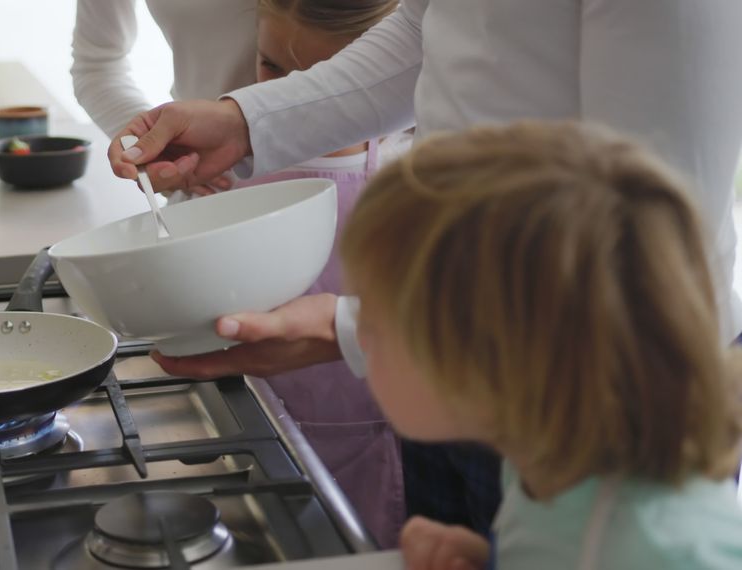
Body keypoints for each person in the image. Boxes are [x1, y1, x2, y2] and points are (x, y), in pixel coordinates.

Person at [107, 0, 742, 538]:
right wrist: (249, 119)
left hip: (590, 387)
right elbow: (428, 24)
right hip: (463, 353)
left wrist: (364, 330)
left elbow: (657, 234)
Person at [345, 121, 742, 569]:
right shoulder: (540, 462)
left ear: (486, 365)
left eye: (375, 324)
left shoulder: (666, 549)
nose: (358, 336)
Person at [230, 0, 409, 547]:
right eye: (272, 70)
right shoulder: (231, 178)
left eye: (326, 85)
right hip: (260, 435)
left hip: (382, 448)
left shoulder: (412, 179)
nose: (290, 102)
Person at [72, 0, 254, 195]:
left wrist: (246, 120)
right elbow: (97, 67)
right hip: (202, 198)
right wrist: (157, 145)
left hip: (288, 195)